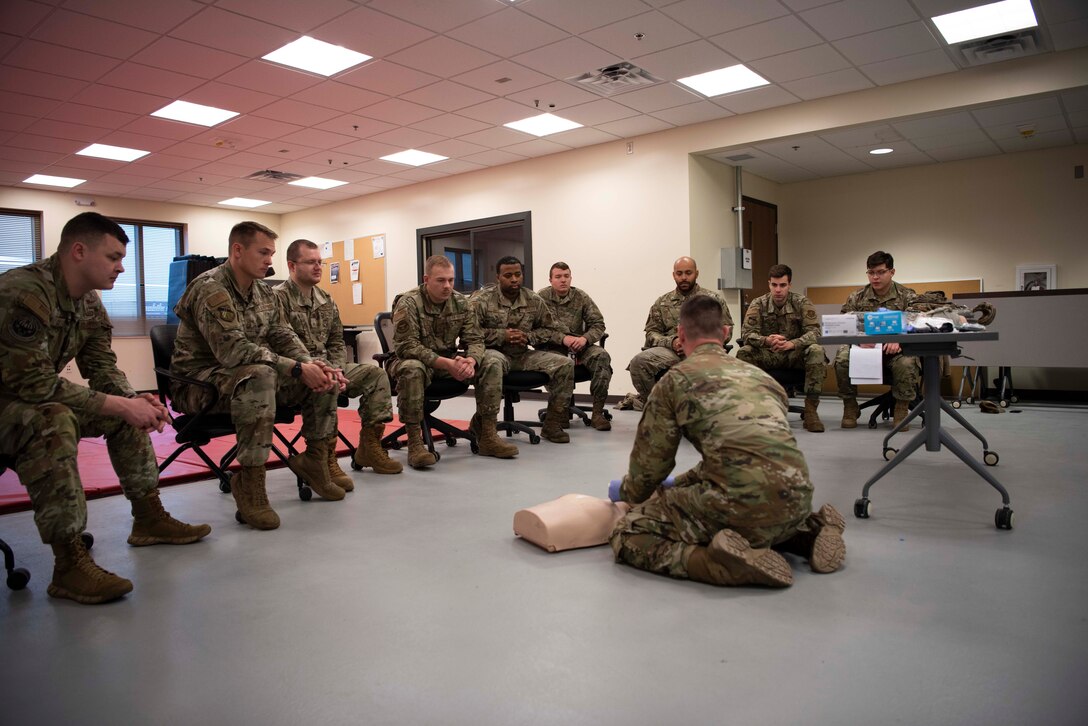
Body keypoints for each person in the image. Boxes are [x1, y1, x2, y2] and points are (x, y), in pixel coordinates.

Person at [0, 212, 210, 604]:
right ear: (79, 251)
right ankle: (68, 564)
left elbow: (100, 367)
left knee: (125, 413)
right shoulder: (23, 293)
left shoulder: (88, 302)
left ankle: (148, 518)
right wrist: (119, 404)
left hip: (29, 399)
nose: (122, 267)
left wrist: (131, 400)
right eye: (113, 257)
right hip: (11, 403)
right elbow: (32, 385)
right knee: (54, 419)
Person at [609, 294, 845, 588]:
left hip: (737, 507)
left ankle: (718, 564)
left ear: (680, 336)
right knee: (759, 504)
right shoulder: (764, 379)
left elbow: (649, 470)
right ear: (724, 334)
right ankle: (810, 532)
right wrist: (682, 482)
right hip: (797, 501)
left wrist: (628, 491)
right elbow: (743, 451)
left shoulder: (674, 381)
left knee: (630, 532)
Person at [171, 221, 346, 531]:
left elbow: (282, 334)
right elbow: (234, 352)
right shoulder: (210, 287)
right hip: (200, 384)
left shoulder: (263, 291)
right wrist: (294, 368)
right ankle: (250, 484)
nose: (270, 260)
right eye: (264, 253)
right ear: (238, 251)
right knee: (262, 376)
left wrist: (309, 363)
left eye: (272, 253)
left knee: (320, 376)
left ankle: (315, 461)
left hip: (245, 376)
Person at [273, 239, 402, 487]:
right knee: (326, 380)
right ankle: (324, 458)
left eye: (319, 262)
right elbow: (280, 345)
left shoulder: (326, 299)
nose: (318, 267)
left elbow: (336, 341)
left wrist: (338, 368)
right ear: (292, 265)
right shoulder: (277, 299)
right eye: (310, 262)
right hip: (294, 373)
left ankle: (370, 446)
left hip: (329, 367)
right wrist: (326, 371)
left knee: (375, 375)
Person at [391, 255, 519, 468]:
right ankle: (415, 444)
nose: (447, 286)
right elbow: (407, 347)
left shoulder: (461, 302)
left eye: (451, 280)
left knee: (492, 359)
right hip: (412, 360)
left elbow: (475, 339)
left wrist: (470, 360)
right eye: (441, 280)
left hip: (447, 361)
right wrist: (447, 364)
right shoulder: (409, 302)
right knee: (412, 368)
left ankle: (487, 434)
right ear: (426, 279)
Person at [469, 256, 574, 444]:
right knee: (492, 362)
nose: (514, 279)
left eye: (518, 274)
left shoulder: (533, 299)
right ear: (498, 277)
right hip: (493, 353)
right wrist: (502, 335)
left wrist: (529, 337)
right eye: (508, 275)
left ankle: (552, 424)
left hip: (522, 355)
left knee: (565, 364)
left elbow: (550, 328)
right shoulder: (482, 300)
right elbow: (470, 333)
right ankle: (487, 429)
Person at [627, 256, 733, 404]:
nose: (683, 277)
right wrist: (673, 342)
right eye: (679, 273)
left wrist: (696, 342)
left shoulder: (711, 300)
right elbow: (651, 333)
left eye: (688, 273)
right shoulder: (662, 302)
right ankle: (657, 407)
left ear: (696, 273)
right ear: (674, 275)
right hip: (671, 351)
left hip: (702, 351)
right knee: (638, 362)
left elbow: (726, 331)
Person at [835, 250, 921, 429]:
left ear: (892, 272)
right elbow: (844, 324)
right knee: (842, 357)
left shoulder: (907, 296)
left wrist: (900, 340)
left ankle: (901, 408)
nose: (875, 277)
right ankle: (850, 406)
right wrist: (859, 340)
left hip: (896, 351)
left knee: (907, 363)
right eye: (871, 272)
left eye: (881, 272)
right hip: (864, 349)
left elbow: (917, 324)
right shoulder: (856, 297)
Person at [736, 264, 827, 432]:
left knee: (816, 350)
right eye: (774, 285)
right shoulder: (758, 304)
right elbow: (747, 334)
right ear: (769, 284)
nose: (778, 290)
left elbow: (815, 332)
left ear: (789, 285)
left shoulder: (801, 302)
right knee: (744, 352)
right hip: (768, 355)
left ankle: (811, 411)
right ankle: (751, 409)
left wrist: (793, 343)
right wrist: (767, 340)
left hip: (794, 355)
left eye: (782, 285)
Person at [536, 262, 612, 431]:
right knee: (558, 362)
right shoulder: (540, 299)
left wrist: (585, 339)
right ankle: (559, 412)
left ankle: (597, 413)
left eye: (566, 276)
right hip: (553, 347)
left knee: (601, 356)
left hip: (580, 346)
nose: (563, 280)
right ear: (550, 280)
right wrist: (563, 339)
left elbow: (598, 324)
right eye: (558, 277)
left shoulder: (581, 297)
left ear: (571, 278)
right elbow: (535, 330)